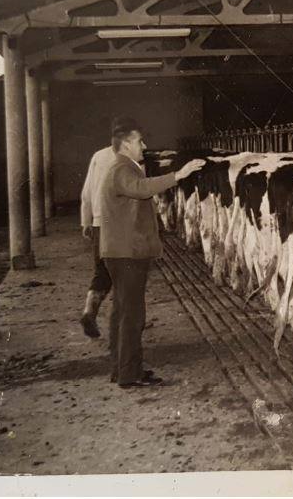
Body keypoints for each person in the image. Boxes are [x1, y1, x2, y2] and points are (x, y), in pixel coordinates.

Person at [99, 118, 205, 388]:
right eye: (139, 141)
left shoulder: (124, 168)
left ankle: (122, 369)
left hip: (123, 251)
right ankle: (129, 374)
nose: (144, 146)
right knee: (132, 315)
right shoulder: (122, 169)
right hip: (127, 253)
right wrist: (177, 176)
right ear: (125, 144)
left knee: (123, 311)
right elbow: (139, 189)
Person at [78, 124, 120, 339]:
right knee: (125, 272)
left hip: (98, 223)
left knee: (101, 270)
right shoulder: (132, 159)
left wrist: (86, 221)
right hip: (121, 225)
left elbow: (86, 192)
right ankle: (121, 324)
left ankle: (89, 311)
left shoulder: (98, 155)